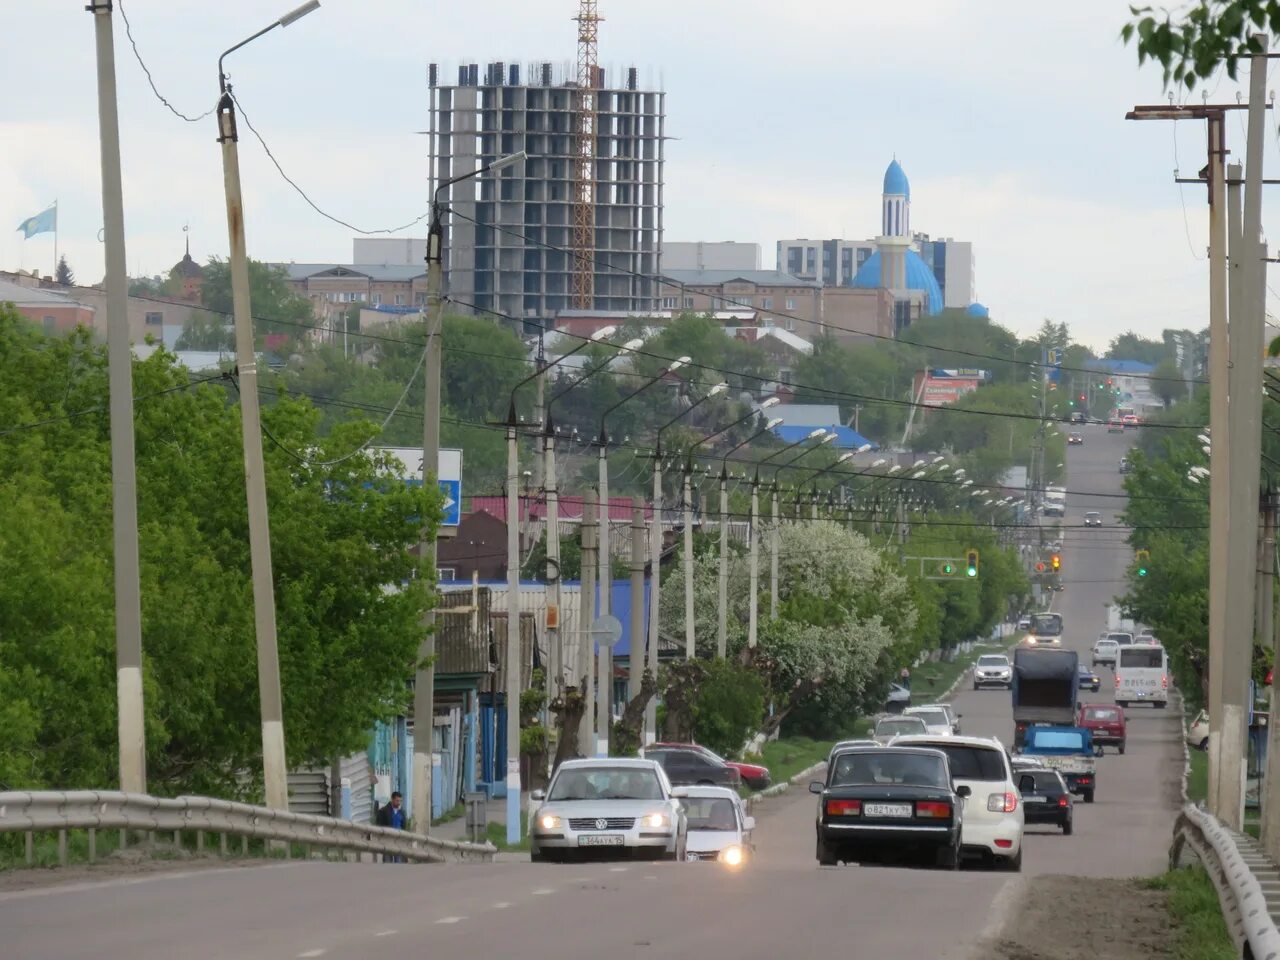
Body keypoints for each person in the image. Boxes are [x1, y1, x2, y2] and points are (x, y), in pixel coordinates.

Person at [376, 791, 406, 863]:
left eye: (400, 801)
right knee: (387, 861)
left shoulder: (401, 812)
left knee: (398, 861)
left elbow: (403, 825)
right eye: (397, 800)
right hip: (387, 839)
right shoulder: (383, 811)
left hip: (398, 839)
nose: (399, 803)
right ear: (392, 800)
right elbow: (379, 825)